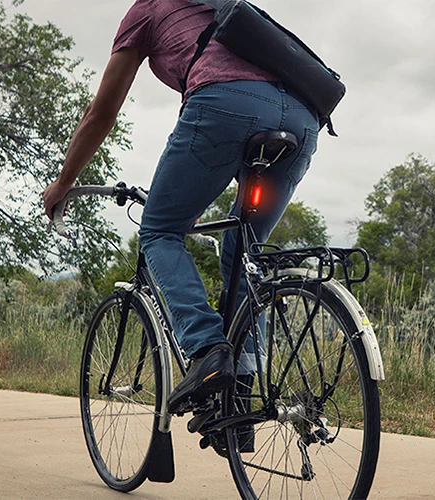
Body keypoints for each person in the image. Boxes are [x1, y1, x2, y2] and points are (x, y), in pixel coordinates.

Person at [42, 0, 319, 414]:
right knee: (245, 253)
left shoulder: (147, 9)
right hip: (303, 114)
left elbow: (101, 113)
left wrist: (64, 182)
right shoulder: (223, 5)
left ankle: (207, 349)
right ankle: (239, 403)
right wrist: (193, 190)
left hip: (227, 104)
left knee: (159, 230)